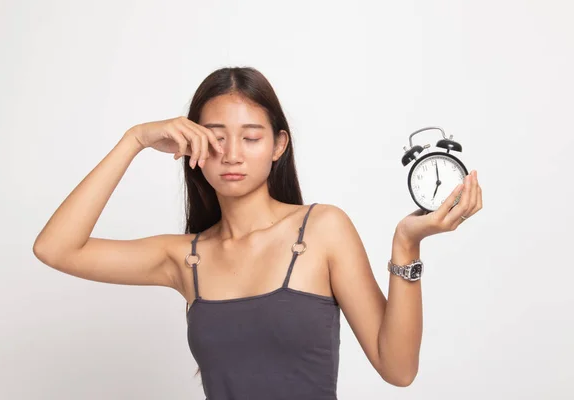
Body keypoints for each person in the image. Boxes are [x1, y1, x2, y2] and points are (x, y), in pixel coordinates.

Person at [32, 66, 483, 399]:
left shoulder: (323, 229)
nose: (231, 154)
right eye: (215, 137)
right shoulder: (184, 258)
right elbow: (54, 248)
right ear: (192, 146)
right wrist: (134, 140)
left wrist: (406, 243)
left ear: (277, 147)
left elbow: (398, 368)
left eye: (250, 138)